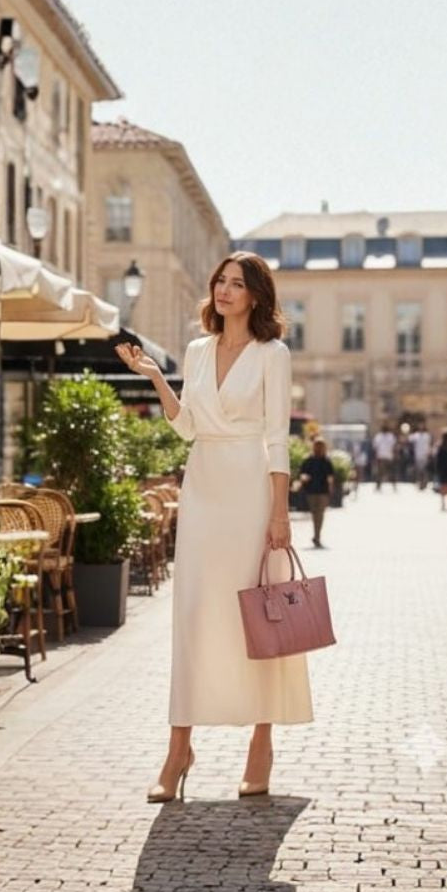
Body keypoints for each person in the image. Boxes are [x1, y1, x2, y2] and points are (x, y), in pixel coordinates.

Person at [115, 250, 313, 803]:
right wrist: (157, 377)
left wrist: (279, 513)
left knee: (257, 614)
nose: (225, 290)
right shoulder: (198, 350)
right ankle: (179, 749)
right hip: (202, 487)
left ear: (255, 295)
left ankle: (261, 740)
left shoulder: (273, 354)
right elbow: (186, 428)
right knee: (196, 615)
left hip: (251, 490)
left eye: (237, 283)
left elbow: (277, 437)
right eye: (220, 281)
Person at [300, 438, 335, 548]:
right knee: (316, 514)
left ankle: (317, 536)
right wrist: (304, 478)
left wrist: (330, 488)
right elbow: (302, 474)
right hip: (311, 491)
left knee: (319, 514)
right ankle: (316, 535)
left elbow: (330, 476)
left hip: (322, 492)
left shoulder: (327, 461)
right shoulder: (308, 460)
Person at [371, 422, 397, 491]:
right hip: (383, 456)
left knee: (389, 472)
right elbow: (375, 447)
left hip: (386, 456)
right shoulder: (379, 436)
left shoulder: (388, 436)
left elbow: (393, 447)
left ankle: (393, 486)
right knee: (381, 473)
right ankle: (379, 486)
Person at [411, 424, 432, 490]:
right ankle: (420, 483)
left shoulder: (427, 435)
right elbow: (410, 441)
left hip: (425, 455)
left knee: (425, 470)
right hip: (418, 455)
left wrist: (429, 453)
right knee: (419, 471)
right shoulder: (415, 435)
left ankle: (424, 483)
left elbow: (430, 444)